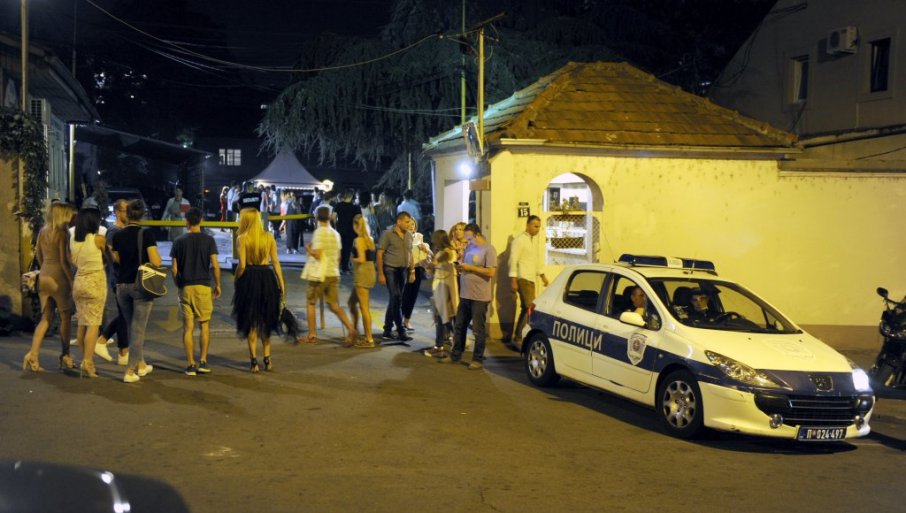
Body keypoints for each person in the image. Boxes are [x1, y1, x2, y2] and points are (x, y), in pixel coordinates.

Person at [22, 202, 77, 372]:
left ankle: (33, 354)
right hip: (58, 278)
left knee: (46, 318)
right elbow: (64, 260)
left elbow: (38, 255)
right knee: (65, 317)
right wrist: (71, 281)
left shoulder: (42, 231)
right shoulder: (63, 232)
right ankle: (65, 355)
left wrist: (46, 266)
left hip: (44, 275)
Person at [111, 199, 161, 383]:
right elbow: (155, 261)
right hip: (140, 286)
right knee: (138, 329)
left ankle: (141, 364)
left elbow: (116, 259)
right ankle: (130, 371)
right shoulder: (146, 234)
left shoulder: (118, 235)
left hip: (121, 286)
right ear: (143, 214)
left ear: (128, 214)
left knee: (132, 326)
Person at [232, 208, 285, 372]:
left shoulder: (242, 238)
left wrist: (236, 279)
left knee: (251, 322)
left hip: (249, 279)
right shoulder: (269, 237)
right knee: (266, 320)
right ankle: (267, 359)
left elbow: (242, 265)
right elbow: (275, 262)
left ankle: (254, 362)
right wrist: (281, 283)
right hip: (267, 278)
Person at [439, 223, 497, 370]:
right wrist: (460, 267)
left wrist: (470, 268)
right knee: (459, 326)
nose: (468, 242)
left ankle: (477, 359)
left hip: (479, 297)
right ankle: (455, 355)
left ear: (477, 235)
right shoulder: (470, 248)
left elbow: (490, 272)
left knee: (478, 329)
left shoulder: (489, 250)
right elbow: (466, 265)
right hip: (465, 294)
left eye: (470, 239)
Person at [171, 207, 222, 376]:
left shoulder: (179, 241)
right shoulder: (209, 240)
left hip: (185, 287)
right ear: (201, 220)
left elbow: (174, 269)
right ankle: (203, 362)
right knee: (204, 326)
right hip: (203, 287)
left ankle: (190, 364)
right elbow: (215, 265)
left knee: (188, 328)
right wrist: (218, 285)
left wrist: (178, 284)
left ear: (186, 221)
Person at [302, 206, 357, 345]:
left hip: (320, 275)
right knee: (334, 305)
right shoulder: (335, 234)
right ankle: (351, 328)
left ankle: (312, 335)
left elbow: (317, 254)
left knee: (310, 302)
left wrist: (308, 248)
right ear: (330, 217)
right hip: (333, 273)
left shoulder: (319, 232)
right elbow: (338, 257)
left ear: (317, 217)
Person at [68, 208, 108, 378]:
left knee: (82, 323)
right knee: (93, 325)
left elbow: (72, 261)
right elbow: (109, 258)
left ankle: (85, 359)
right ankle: (88, 362)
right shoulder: (99, 239)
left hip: (79, 282)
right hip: (95, 282)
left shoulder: (72, 239)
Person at [508, 215, 549, 346]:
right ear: (527, 225)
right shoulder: (519, 240)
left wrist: (542, 275)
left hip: (531, 278)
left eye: (539, 227)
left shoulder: (532, 241)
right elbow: (513, 260)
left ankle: (520, 335)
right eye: (535, 226)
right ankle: (519, 337)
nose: (537, 229)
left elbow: (535, 261)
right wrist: (513, 279)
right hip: (523, 278)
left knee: (527, 308)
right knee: (529, 307)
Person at [98, 199, 129, 365]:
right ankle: (119, 349)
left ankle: (121, 350)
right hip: (118, 277)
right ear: (117, 212)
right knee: (125, 314)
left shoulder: (123, 230)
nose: (128, 213)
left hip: (124, 276)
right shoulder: (113, 231)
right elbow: (111, 256)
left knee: (126, 314)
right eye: (124, 210)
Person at [376, 211, 415, 342]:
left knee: (395, 300)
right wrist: (380, 273)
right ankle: (401, 330)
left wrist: (412, 271)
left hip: (403, 271)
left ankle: (387, 330)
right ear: (399, 222)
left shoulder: (409, 235)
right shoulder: (387, 234)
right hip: (390, 269)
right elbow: (380, 253)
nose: (409, 224)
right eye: (407, 222)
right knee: (396, 297)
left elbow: (410, 253)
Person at [424, 230, 458, 358]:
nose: (432, 239)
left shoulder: (449, 251)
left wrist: (433, 263)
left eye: (434, 238)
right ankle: (443, 344)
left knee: (444, 316)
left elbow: (445, 258)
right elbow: (434, 267)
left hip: (446, 288)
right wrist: (430, 267)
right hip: (440, 287)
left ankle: (446, 344)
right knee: (441, 316)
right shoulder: (440, 251)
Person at [347, 214, 377, 348]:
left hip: (362, 272)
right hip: (370, 271)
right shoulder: (370, 239)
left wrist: (351, 259)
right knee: (351, 302)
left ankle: (369, 339)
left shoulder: (359, 240)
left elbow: (361, 259)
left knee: (364, 307)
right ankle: (355, 330)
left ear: (356, 226)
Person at [401, 217, 432, 332]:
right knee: (404, 295)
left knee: (413, 296)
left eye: (413, 224)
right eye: (408, 223)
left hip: (418, 269)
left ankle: (407, 320)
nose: (411, 226)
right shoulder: (402, 237)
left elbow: (428, 255)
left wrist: (425, 250)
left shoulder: (419, 237)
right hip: (406, 269)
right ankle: (399, 320)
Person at [333, 188, 362, 273]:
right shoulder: (355, 207)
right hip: (350, 230)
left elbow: (333, 217)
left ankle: (340, 265)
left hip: (340, 229)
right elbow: (359, 219)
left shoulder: (338, 205)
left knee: (340, 248)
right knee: (348, 248)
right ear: (352, 196)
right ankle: (345, 267)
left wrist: (335, 225)